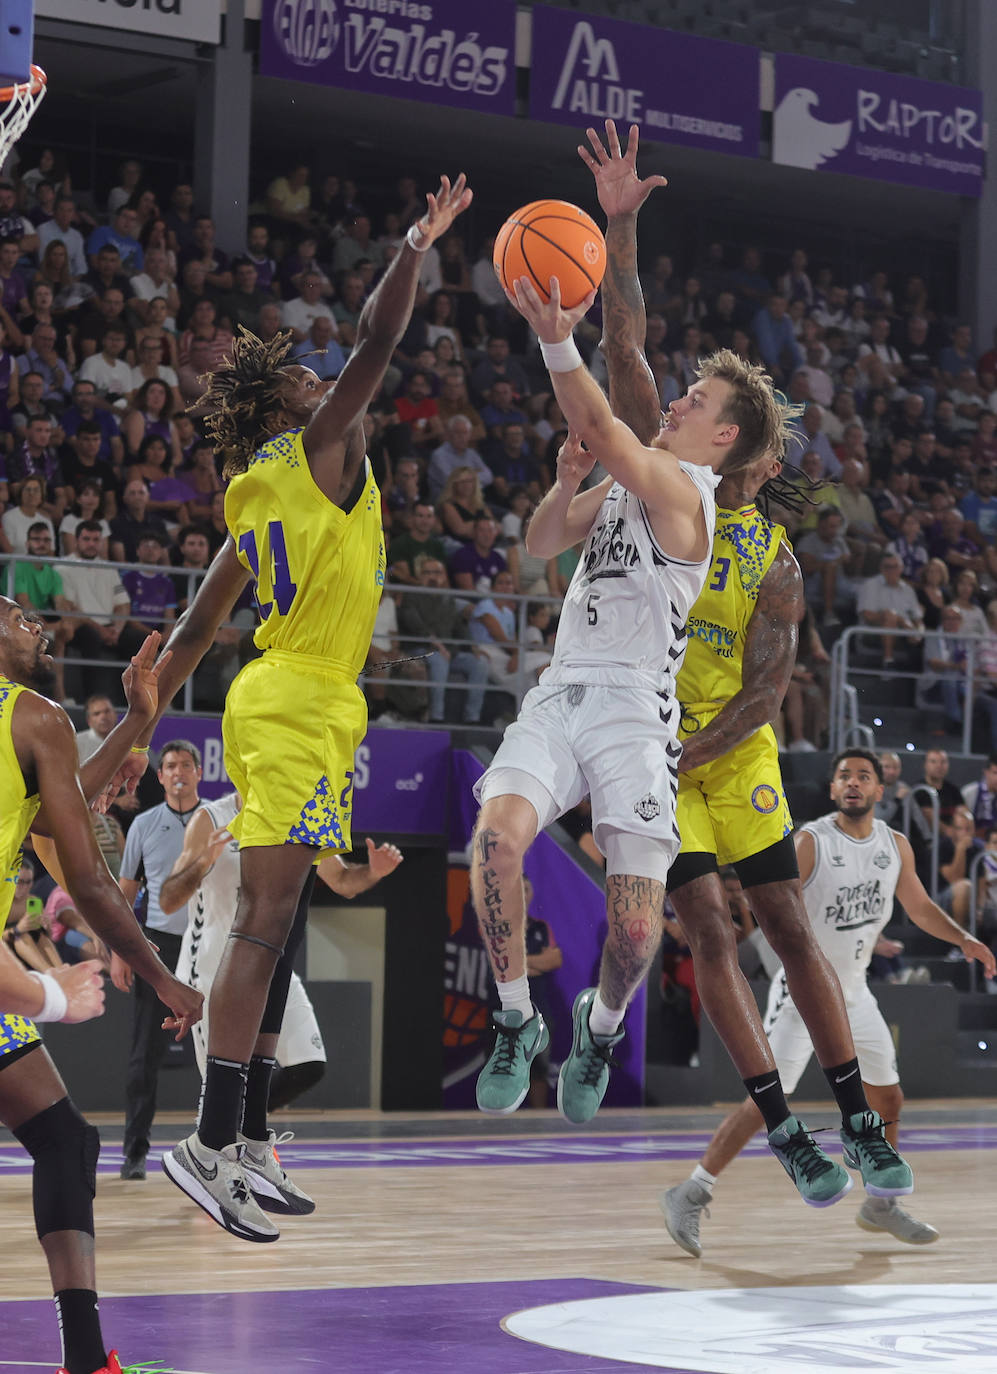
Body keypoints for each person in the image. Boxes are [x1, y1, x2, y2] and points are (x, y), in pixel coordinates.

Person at [104, 172, 473, 1242]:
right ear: (290, 410)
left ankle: (250, 1134)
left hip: (296, 697)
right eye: (310, 381)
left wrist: (140, 717)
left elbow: (185, 639)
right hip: (295, 696)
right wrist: (414, 240)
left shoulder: (249, 494)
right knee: (263, 923)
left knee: (287, 917)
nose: (326, 382)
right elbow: (377, 341)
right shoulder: (316, 450)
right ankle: (210, 1141)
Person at [580, 119, 913, 1203]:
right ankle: (782, 1128)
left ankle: (858, 1118)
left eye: (697, 406)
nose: (673, 405)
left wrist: (685, 758)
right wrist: (620, 231)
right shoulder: (655, 473)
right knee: (704, 930)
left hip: (724, 751)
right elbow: (625, 345)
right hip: (652, 744)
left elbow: (770, 688)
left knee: (783, 922)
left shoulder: (771, 560)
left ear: (741, 453)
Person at [470, 192, 748, 1128]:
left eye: (696, 403)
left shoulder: (685, 498)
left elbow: (602, 417)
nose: (678, 401)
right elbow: (542, 545)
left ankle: (601, 1022)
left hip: (636, 707)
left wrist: (557, 340)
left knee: (634, 924)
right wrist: (562, 486)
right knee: (494, 840)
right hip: (563, 688)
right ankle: (516, 1023)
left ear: (723, 438)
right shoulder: (627, 490)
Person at [662, 750, 995, 1257]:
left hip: (856, 990)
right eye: (845, 776)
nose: (854, 783)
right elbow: (774, 908)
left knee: (889, 1098)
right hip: (803, 995)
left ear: (881, 790)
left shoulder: (895, 846)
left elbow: (921, 907)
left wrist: (964, 939)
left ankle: (879, 1205)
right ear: (834, 788)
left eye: (865, 776)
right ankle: (690, 1192)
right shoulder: (811, 841)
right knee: (765, 1103)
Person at [0, 611, 201, 1374]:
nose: (38, 626)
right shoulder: (34, 714)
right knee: (64, 1143)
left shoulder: (31, 727)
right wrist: (160, 977)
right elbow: (83, 870)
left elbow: (52, 808)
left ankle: (86, 1360)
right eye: (17, 616)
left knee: (66, 1140)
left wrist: (135, 722)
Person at [160, 791, 403, 1156]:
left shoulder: (297, 815)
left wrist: (374, 871)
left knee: (308, 1066)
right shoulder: (210, 819)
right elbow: (168, 899)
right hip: (213, 966)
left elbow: (344, 881)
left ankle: (242, 1132)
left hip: (271, 961)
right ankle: (218, 1155)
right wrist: (202, 862)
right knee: (221, 1084)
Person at [113, 740, 206, 1182]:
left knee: (222, 1051)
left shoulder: (219, 821)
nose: (178, 772)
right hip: (160, 948)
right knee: (142, 1057)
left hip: (209, 946)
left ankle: (219, 1147)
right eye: (170, 766)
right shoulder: (144, 825)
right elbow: (125, 894)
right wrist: (120, 950)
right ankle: (135, 1153)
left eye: (186, 764)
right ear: (161, 775)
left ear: (199, 772)